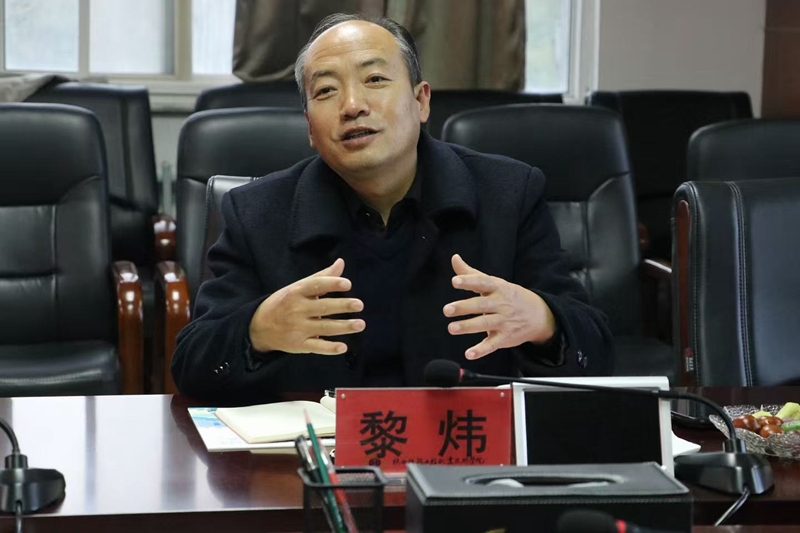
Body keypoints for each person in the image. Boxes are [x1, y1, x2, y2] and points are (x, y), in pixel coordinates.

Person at [171, 13, 613, 403]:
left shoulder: (508, 194)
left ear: (421, 101)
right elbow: (192, 365)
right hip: (314, 454)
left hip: (462, 450)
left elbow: (597, 351)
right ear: (309, 127)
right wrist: (257, 330)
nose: (352, 106)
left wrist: (544, 321)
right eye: (326, 90)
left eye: (375, 80)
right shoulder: (256, 212)